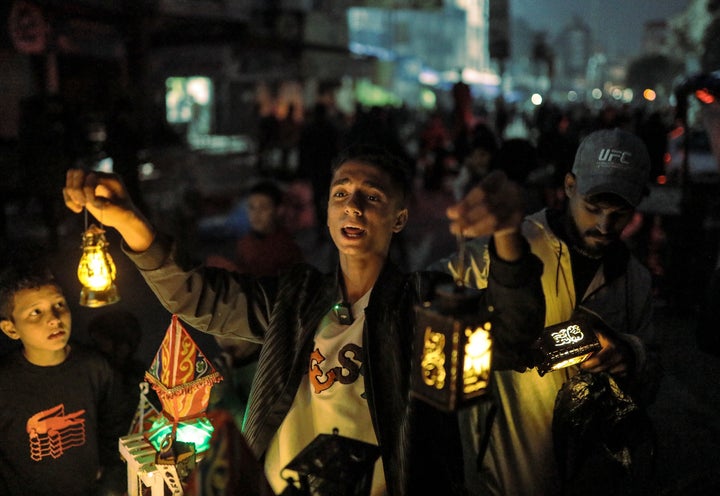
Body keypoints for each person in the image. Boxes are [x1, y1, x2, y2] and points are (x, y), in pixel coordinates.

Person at [63, 144, 545, 495]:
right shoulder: (295, 299)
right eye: (341, 193)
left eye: (372, 197)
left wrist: (507, 236)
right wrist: (127, 219)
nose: (353, 205)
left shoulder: (423, 304)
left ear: (399, 218)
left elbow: (514, 339)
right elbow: (195, 295)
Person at [431, 128, 660, 495]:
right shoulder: (510, 246)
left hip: (590, 475)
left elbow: (650, 378)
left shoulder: (635, 280)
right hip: (504, 472)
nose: (604, 225)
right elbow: (429, 288)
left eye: (620, 213)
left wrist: (628, 354)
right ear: (569, 185)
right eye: (593, 208)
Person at [0, 262, 129, 496]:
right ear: (11, 329)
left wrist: (110, 479)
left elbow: (117, 427)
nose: (54, 319)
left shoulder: (95, 368)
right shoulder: (5, 383)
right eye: (35, 312)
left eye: (59, 304)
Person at [206, 180, 304, 276]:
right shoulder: (245, 242)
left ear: (278, 210)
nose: (256, 215)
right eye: (252, 208)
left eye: (263, 208)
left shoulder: (286, 248)